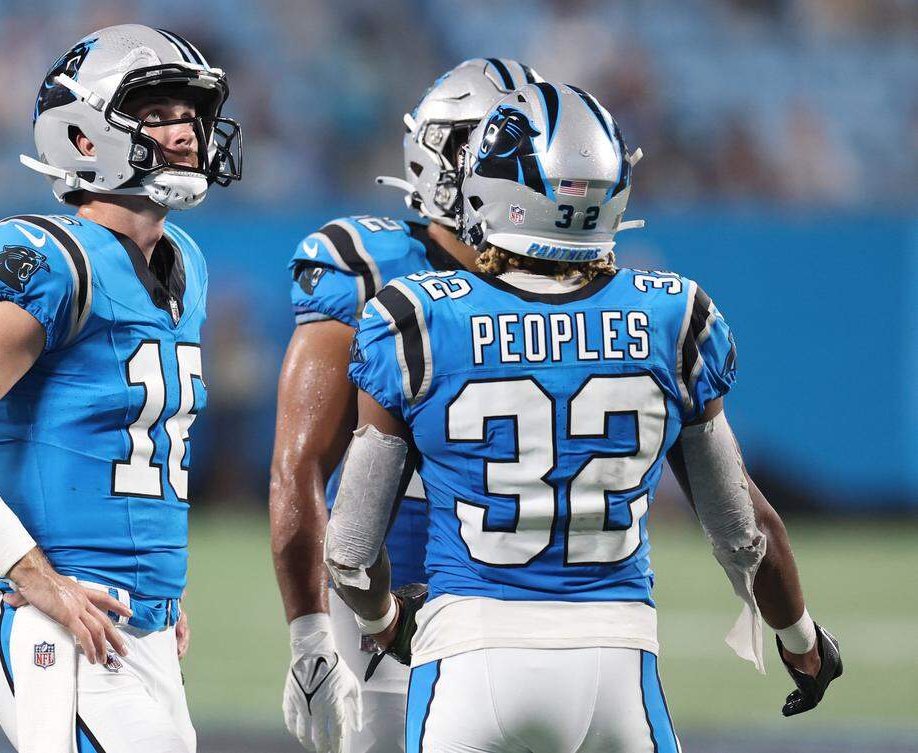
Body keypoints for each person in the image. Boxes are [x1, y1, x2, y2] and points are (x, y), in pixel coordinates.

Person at [324, 83, 842, 752]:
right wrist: (802, 642)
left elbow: (351, 549)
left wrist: (386, 618)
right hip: (616, 664)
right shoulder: (671, 314)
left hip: (470, 657)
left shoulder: (417, 316)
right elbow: (743, 531)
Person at [0, 24, 241, 753]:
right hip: (64, 632)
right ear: (83, 137)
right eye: (158, 113)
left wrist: (160, 585)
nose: (187, 132)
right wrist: (31, 574)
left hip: (141, 632)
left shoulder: (187, 265)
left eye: (191, 112)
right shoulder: (52, 260)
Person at [271, 58, 543, 753]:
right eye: (494, 147)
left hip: (544, 598)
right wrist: (310, 632)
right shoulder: (367, 266)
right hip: (394, 609)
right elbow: (298, 465)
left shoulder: (571, 276)